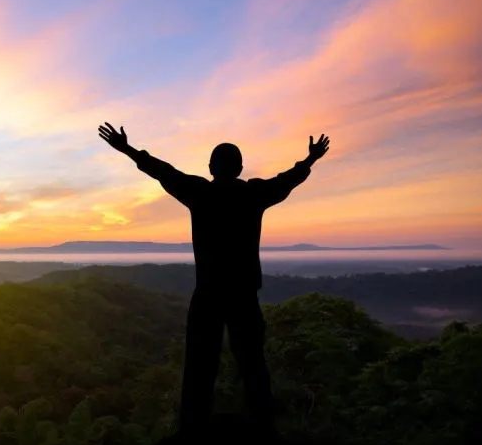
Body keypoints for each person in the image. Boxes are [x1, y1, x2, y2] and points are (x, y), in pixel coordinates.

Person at [98, 122, 330, 429]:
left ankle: (192, 434)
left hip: (207, 295)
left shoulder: (200, 193)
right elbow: (287, 180)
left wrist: (126, 149)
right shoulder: (253, 194)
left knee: (198, 367)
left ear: (211, 168)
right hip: (244, 296)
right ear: (240, 168)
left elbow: (163, 171)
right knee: (253, 365)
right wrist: (311, 159)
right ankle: (263, 431)